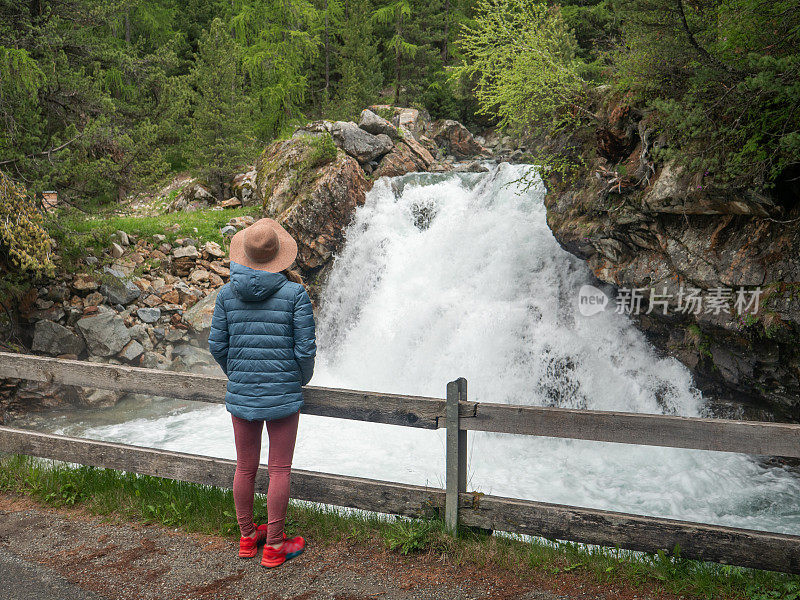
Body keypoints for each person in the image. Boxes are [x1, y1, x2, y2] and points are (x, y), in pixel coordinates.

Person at [208, 218, 316, 568]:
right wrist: (298, 380)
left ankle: (246, 537)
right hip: (284, 392)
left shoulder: (226, 294)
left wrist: (237, 374)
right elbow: (305, 351)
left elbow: (217, 346)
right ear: (278, 256)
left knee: (245, 467)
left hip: (241, 392)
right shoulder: (295, 294)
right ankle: (273, 546)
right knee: (279, 469)